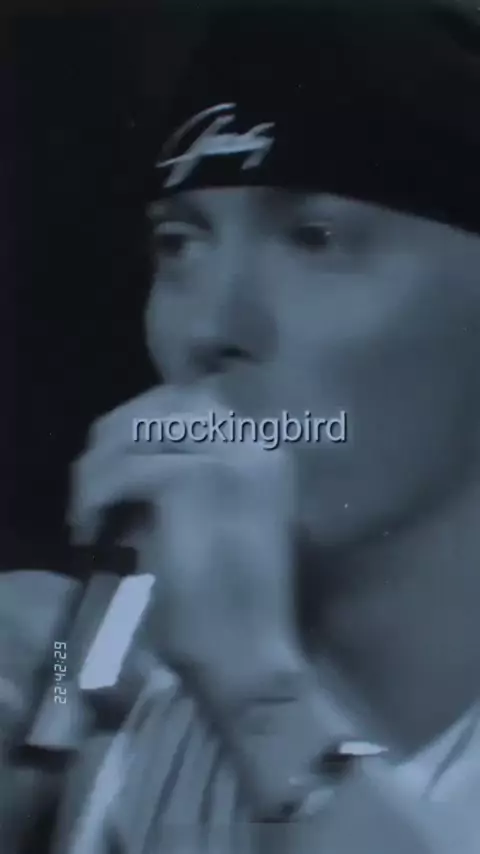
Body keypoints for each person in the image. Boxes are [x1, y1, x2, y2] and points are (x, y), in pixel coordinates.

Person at [3, 1, 480, 852]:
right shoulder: (128, 660)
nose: (209, 328)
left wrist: (261, 700)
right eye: (180, 244)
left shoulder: (241, 681)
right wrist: (51, 714)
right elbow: (68, 705)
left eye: (315, 238)